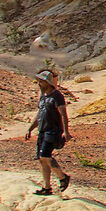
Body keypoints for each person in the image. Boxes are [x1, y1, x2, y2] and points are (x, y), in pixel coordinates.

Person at [30, 67, 71, 195]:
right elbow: (40, 114)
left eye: (41, 81)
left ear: (48, 83)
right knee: (42, 159)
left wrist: (66, 131)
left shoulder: (57, 96)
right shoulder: (43, 96)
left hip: (53, 131)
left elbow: (64, 114)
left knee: (44, 156)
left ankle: (62, 177)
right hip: (42, 130)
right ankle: (48, 187)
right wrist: (30, 128)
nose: (39, 84)